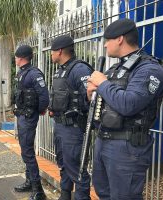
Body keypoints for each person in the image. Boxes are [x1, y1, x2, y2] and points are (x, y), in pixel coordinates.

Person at [87, 18, 163, 200]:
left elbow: (129, 104)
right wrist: (91, 95)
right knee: (103, 192)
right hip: (104, 141)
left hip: (127, 148)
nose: (105, 45)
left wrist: (103, 84)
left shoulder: (149, 69)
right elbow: (105, 102)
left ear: (119, 39)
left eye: (107, 40)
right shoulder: (115, 68)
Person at [49, 35, 93, 200]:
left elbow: (91, 100)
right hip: (60, 126)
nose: (51, 54)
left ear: (59, 51)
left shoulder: (80, 69)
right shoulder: (61, 70)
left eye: (52, 51)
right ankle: (65, 195)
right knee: (63, 164)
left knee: (76, 168)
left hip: (73, 128)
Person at [13, 45, 49, 200]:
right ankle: (29, 181)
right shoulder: (22, 73)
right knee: (25, 150)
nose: (14, 59)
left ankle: (38, 190)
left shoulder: (34, 74)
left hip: (28, 117)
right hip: (22, 116)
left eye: (15, 57)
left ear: (20, 57)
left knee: (27, 152)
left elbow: (44, 97)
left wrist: (39, 110)